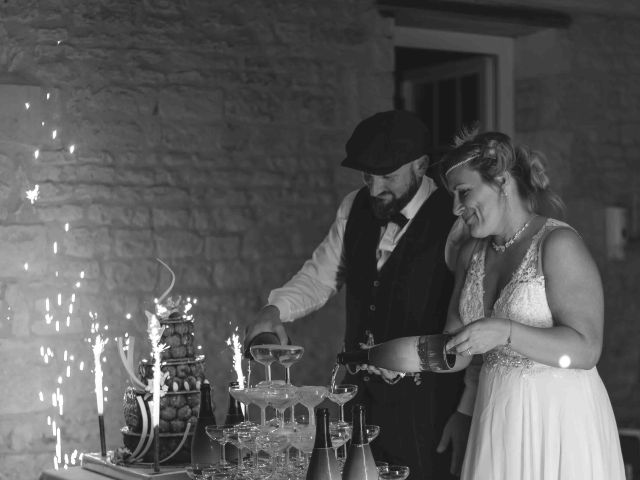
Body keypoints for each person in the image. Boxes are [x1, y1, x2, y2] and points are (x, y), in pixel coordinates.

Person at [245, 110, 474, 479]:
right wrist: (274, 309)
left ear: (421, 165)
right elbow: (320, 277)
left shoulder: (456, 218)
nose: (375, 187)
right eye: (367, 175)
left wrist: (466, 410)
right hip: (358, 404)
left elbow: (473, 323)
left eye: (388, 176)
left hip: (429, 407)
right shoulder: (354, 208)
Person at [441, 129, 625, 479]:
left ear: (502, 181)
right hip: (496, 419)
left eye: (464, 193)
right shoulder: (470, 254)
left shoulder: (557, 245)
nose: (455, 208)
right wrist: (395, 360)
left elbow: (586, 350)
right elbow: (455, 350)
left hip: (559, 419)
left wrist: (506, 332)